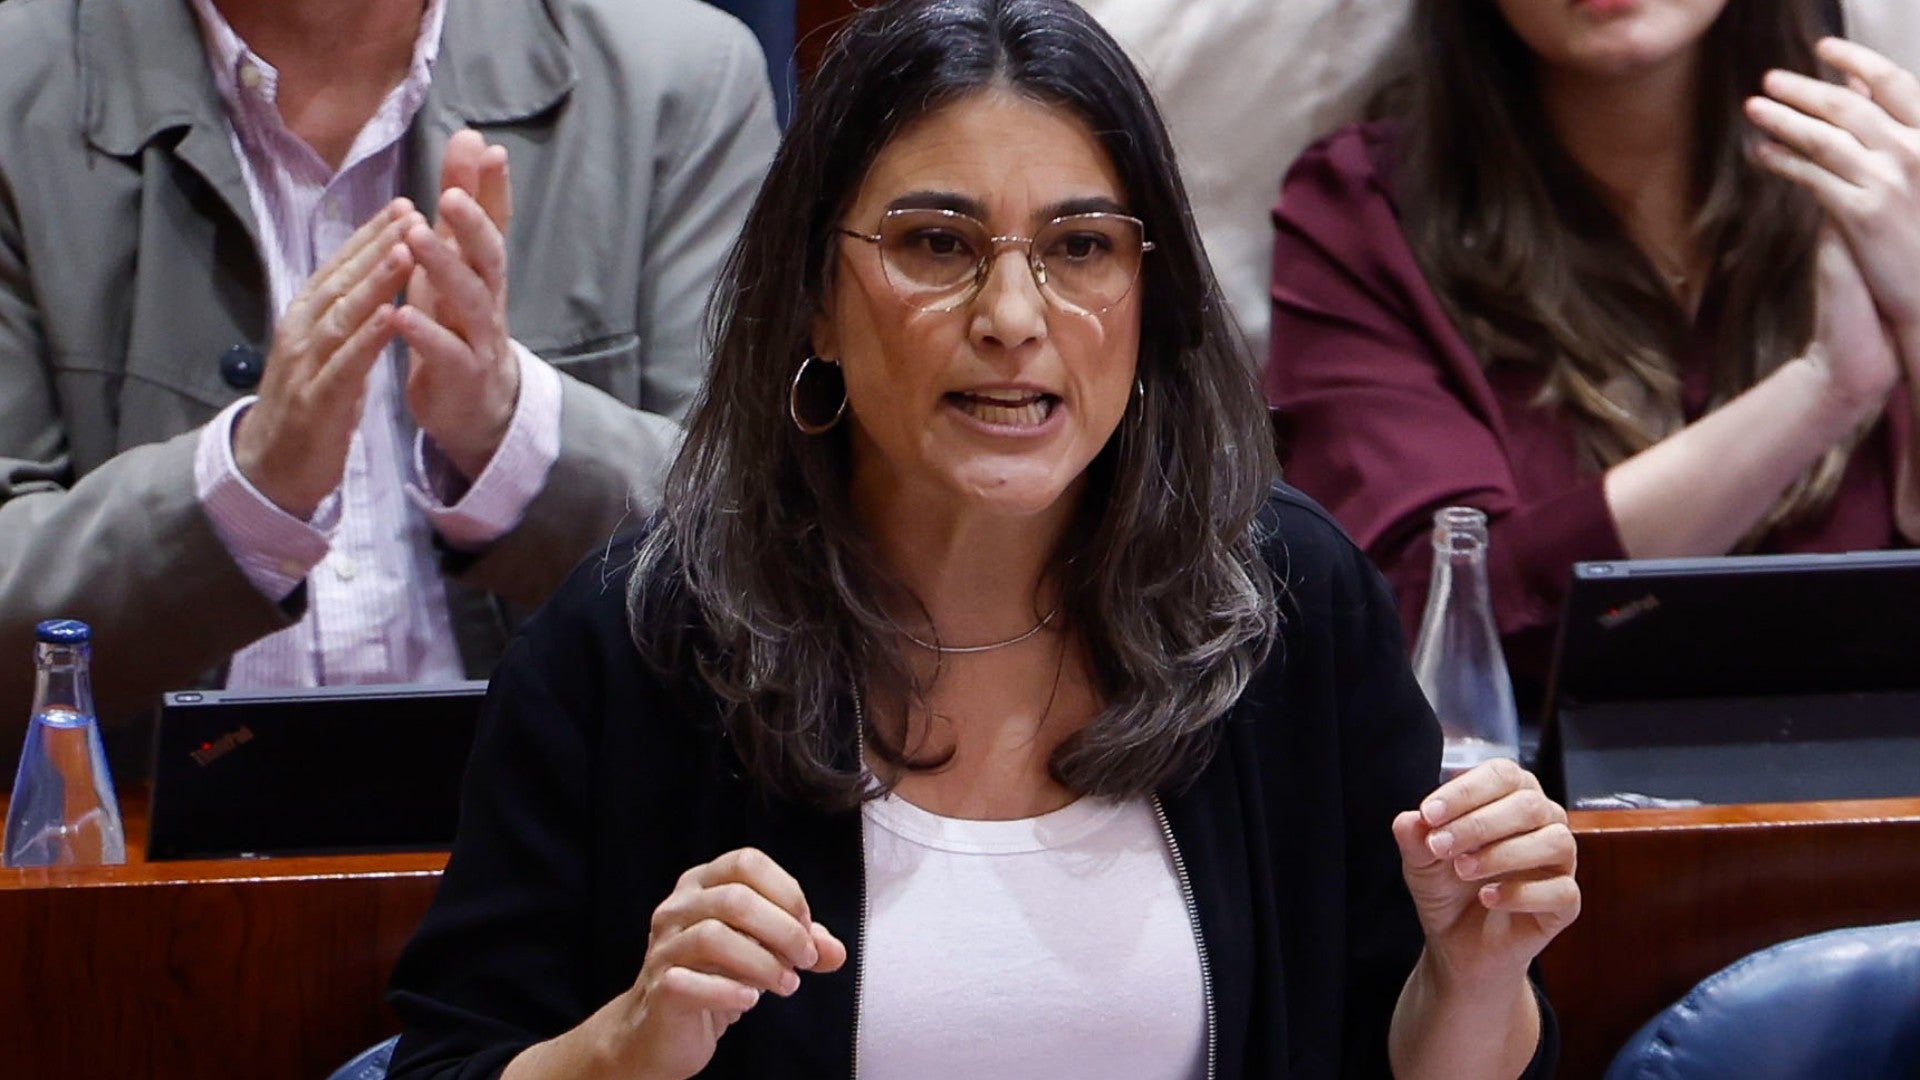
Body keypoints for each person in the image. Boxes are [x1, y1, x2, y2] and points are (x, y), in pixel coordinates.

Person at [385, 2, 1579, 1077]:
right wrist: (630, 1044)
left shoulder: (1286, 603)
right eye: (937, 245)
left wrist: (1475, 974)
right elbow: (448, 1059)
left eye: (1081, 250)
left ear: (1149, 293)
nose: (1013, 319)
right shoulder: (635, 643)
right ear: (814, 295)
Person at [0, 0, 778, 744]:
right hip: (128, 863)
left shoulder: (681, 81)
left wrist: (512, 434)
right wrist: (242, 489)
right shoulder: (18, 86)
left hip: (573, 862)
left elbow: (778, 564)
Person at [1264, 0, 1920, 706]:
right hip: (1539, 804)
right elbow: (1428, 620)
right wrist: (1824, 394)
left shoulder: (1890, 179)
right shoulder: (1362, 209)